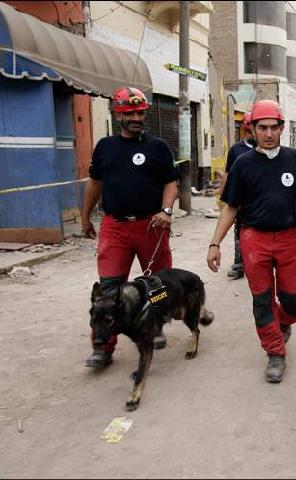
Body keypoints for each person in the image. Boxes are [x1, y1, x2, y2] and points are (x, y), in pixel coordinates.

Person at [207, 100, 296, 383]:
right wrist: (215, 244)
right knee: (261, 299)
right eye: (262, 128)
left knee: (295, 300)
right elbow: (230, 207)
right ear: (252, 129)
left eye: (274, 127)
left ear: (282, 128)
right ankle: (274, 352)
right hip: (254, 238)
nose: (269, 133)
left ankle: (283, 322)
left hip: (291, 238)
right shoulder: (242, 164)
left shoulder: (295, 159)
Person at [81, 86, 179, 368]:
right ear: (118, 113)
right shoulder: (105, 147)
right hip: (115, 228)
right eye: (130, 112)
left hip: (152, 226)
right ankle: (102, 346)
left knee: (158, 283)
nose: (137, 117)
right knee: (110, 287)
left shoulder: (158, 147)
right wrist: (85, 216)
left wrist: (166, 210)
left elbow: (170, 182)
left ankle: (157, 323)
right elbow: (95, 184)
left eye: (140, 112)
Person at [220, 112, 255, 280]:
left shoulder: (266, 148)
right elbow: (227, 174)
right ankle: (239, 263)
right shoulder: (236, 150)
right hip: (241, 200)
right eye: (248, 131)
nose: (251, 135)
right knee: (239, 231)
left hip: (261, 199)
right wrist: (223, 197)